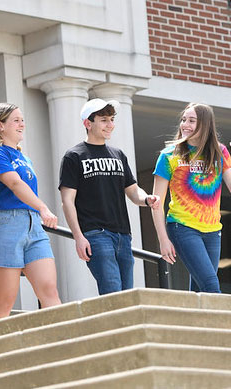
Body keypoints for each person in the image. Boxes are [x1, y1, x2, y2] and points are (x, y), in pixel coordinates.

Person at [59, 98, 160, 295]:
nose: (110, 125)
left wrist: (147, 199)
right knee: (112, 293)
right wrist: (79, 237)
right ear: (88, 123)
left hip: (123, 235)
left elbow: (133, 191)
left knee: (126, 294)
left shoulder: (118, 155)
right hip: (96, 235)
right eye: (104, 120)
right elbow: (67, 201)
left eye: (112, 119)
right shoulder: (74, 156)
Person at [0, 103, 61, 318]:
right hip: (7, 223)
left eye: (22, 120)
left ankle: (64, 341)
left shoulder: (24, 158)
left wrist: (38, 211)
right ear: (0, 125)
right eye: (15, 120)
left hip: (34, 226)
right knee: (5, 301)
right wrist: (43, 207)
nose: (22, 124)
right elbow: (14, 184)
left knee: (49, 290)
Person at [151, 102, 231, 293]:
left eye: (192, 121)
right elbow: (156, 203)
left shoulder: (219, 152)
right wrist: (163, 239)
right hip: (182, 227)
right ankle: (223, 323)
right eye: (184, 120)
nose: (185, 125)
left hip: (212, 230)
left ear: (205, 125)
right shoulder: (169, 155)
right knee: (211, 285)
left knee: (200, 289)